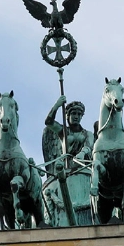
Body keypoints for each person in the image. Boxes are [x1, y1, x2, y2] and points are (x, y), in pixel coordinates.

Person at [41, 95, 94, 226]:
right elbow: (48, 122)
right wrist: (57, 105)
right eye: (73, 113)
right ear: (68, 116)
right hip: (65, 168)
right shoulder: (63, 131)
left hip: (83, 168)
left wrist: (82, 154)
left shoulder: (88, 134)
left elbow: (89, 146)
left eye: (78, 114)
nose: (76, 116)